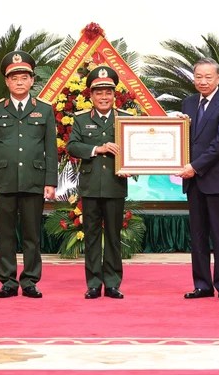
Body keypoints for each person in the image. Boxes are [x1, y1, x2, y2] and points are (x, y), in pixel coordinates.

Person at [0, 51, 57, 298]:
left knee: (32, 234)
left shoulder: (44, 110)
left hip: (34, 182)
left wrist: (50, 181)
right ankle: (7, 281)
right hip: (3, 182)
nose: (19, 82)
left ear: (32, 80)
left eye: (24, 77)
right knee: (4, 234)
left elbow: (50, 149)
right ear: (6, 81)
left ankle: (30, 281)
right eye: (14, 78)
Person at [176, 58, 219, 301]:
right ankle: (202, 284)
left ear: (218, 78)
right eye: (198, 77)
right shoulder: (188, 102)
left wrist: (194, 166)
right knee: (198, 233)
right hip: (193, 180)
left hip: (217, 177)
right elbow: (184, 139)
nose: (202, 81)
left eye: (208, 77)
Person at [66, 66, 131, 299]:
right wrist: (98, 148)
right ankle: (93, 283)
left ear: (115, 95)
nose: (104, 97)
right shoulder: (81, 120)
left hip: (115, 186)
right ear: (91, 96)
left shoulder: (126, 119)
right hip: (91, 186)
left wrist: (132, 168)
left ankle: (112, 283)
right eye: (99, 93)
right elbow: (72, 146)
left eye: (108, 93)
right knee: (92, 236)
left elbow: (135, 150)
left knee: (113, 236)